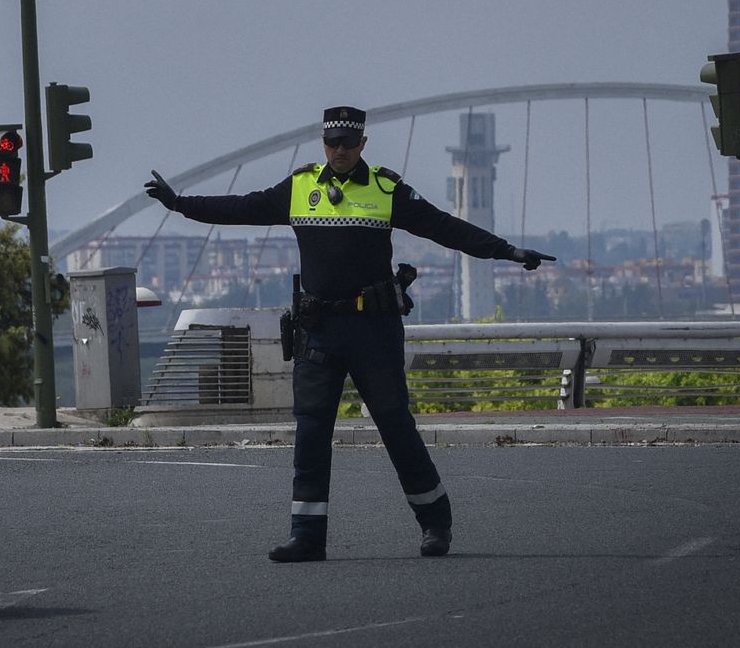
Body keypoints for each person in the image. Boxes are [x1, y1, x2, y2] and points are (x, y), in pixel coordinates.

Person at [144, 105, 554, 563]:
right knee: (311, 432)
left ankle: (436, 522)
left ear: (362, 144)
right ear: (323, 144)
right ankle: (307, 535)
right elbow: (242, 207)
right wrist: (179, 203)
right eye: (331, 143)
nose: (338, 150)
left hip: (373, 330)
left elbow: (443, 227)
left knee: (396, 427)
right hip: (319, 331)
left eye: (347, 143)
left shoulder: (386, 189)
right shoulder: (300, 188)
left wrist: (507, 251)